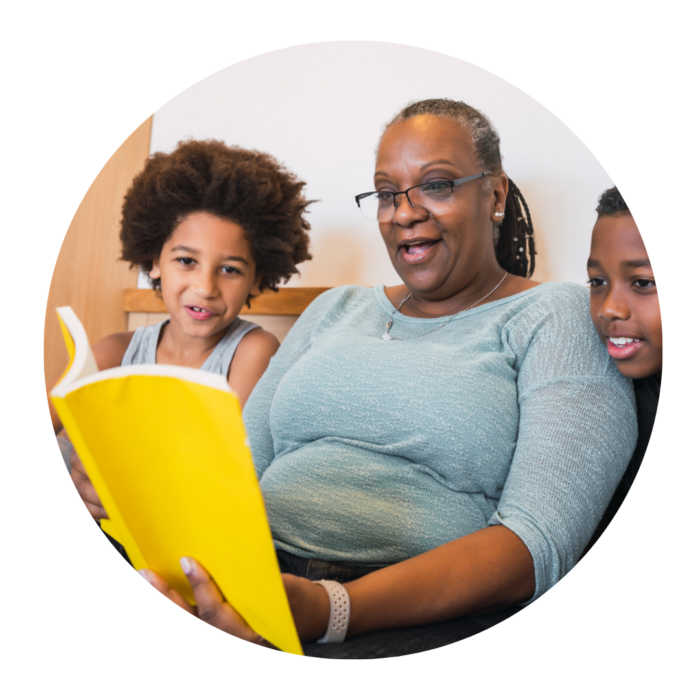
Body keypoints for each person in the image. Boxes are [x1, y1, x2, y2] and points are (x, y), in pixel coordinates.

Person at [85, 99, 639, 658]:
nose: (403, 212)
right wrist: (134, 498)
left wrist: (329, 609)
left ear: (494, 195)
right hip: (253, 580)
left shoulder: (558, 315)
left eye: (437, 185)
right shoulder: (334, 309)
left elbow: (535, 545)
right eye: (385, 192)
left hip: (400, 610)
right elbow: (237, 472)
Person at [46, 139, 313, 570]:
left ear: (257, 277)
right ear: (154, 261)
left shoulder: (253, 351)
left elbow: (225, 470)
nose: (205, 287)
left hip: (181, 544)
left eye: (229, 269)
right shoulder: (114, 350)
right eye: (186, 261)